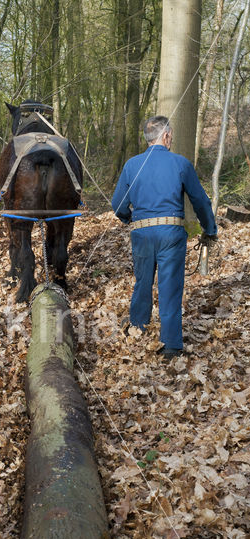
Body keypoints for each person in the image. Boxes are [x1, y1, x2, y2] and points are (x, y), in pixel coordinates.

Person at [111, 115, 218, 359]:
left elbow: (118, 204)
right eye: (171, 136)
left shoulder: (131, 165)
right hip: (171, 233)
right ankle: (170, 345)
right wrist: (210, 230)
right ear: (166, 136)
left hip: (142, 232)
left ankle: (138, 325)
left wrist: (131, 220)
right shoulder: (180, 163)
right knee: (169, 286)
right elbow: (200, 200)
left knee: (142, 280)